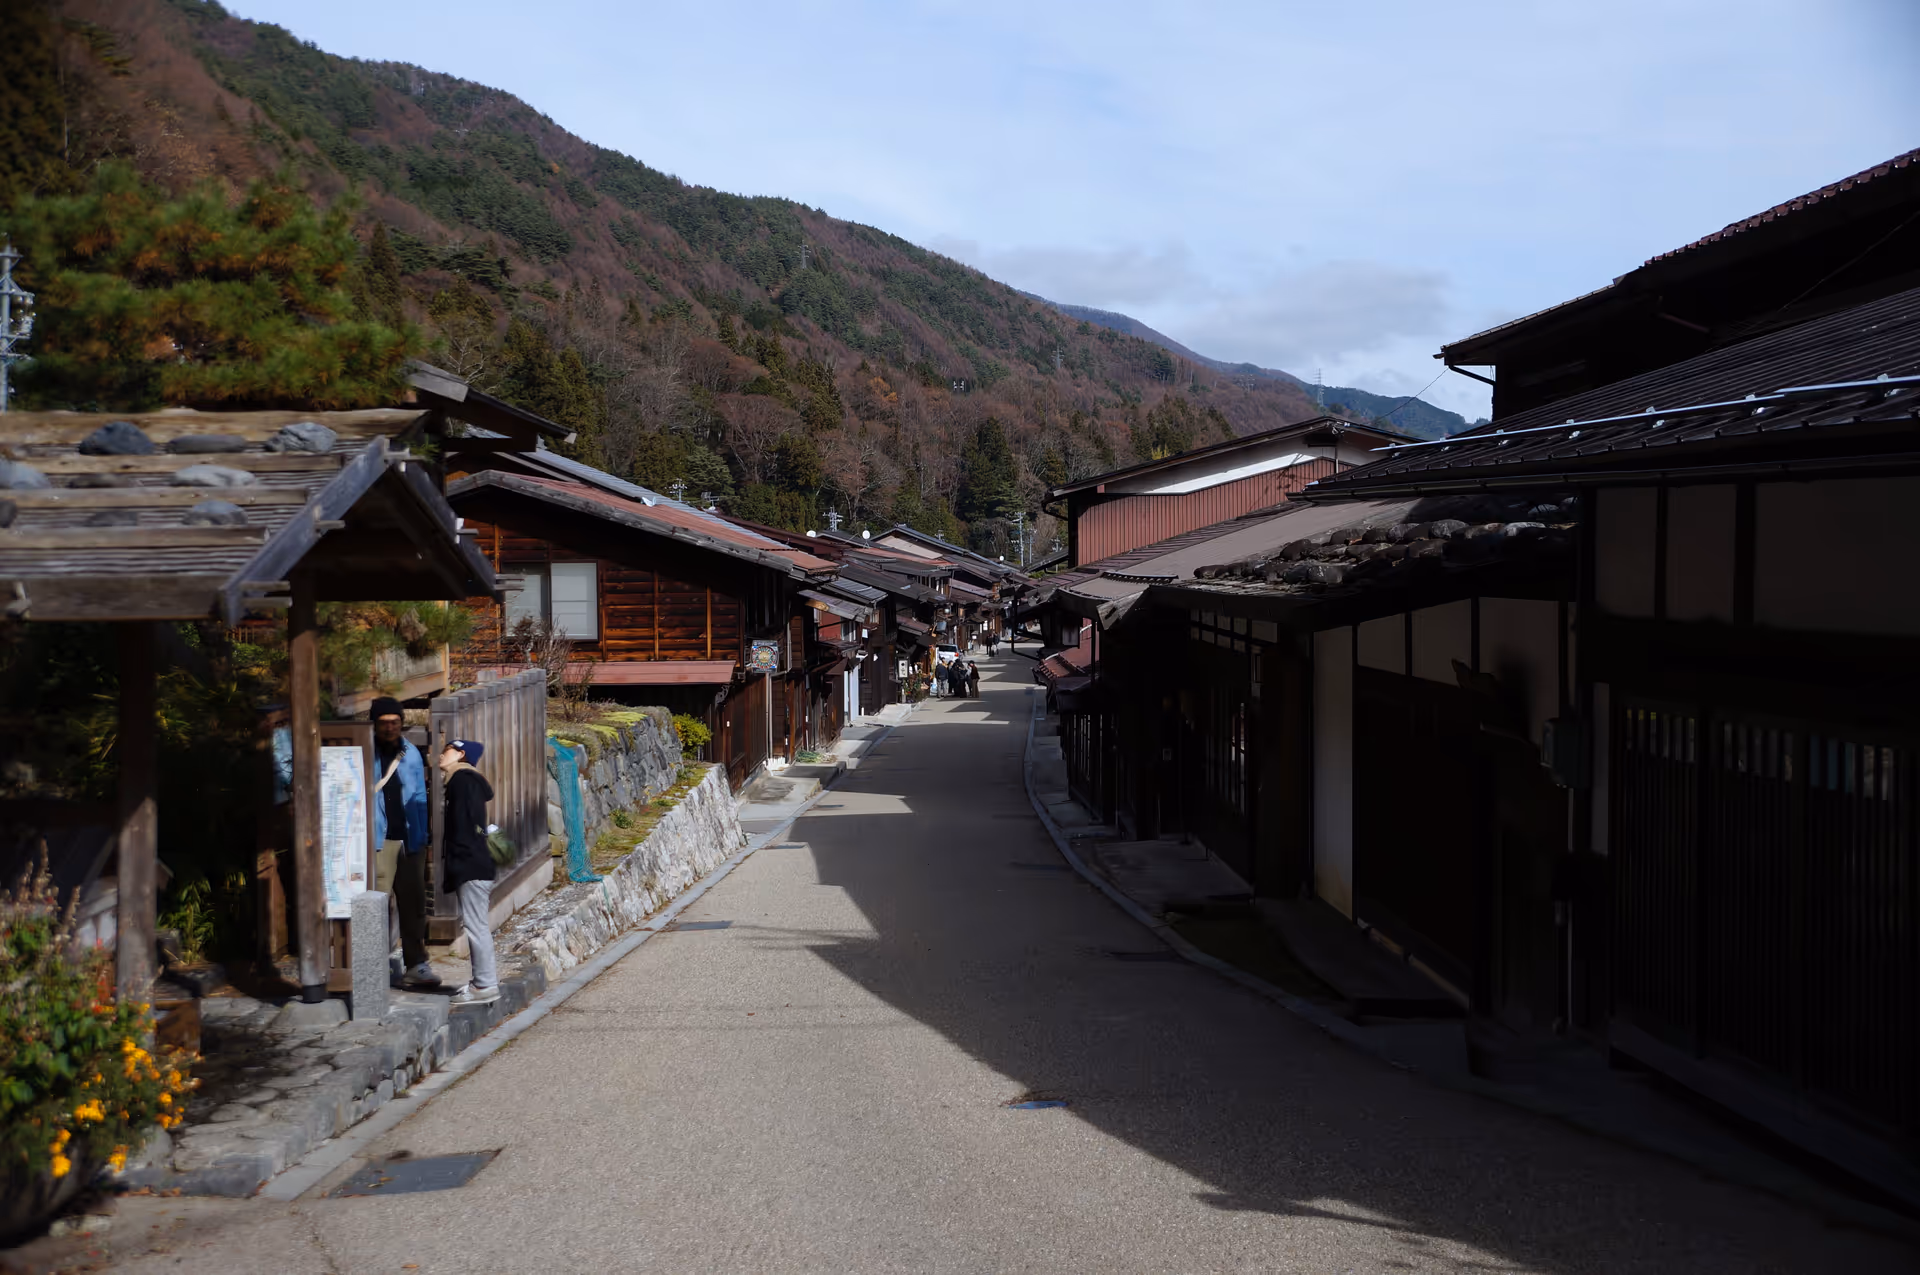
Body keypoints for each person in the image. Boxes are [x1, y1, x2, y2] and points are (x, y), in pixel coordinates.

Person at [369, 697, 437, 989]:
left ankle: (416, 964)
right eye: (383, 723)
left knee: (414, 905)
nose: (389, 728)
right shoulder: (364, 752)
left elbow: (420, 798)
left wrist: (423, 835)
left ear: (401, 723)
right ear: (374, 724)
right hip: (379, 839)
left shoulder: (410, 753)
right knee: (376, 904)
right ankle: (372, 965)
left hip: (411, 839)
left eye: (394, 722)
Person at [438, 738, 499, 1006]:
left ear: (461, 754)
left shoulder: (462, 780)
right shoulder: (464, 781)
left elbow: (464, 827)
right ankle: (482, 983)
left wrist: (459, 863)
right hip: (477, 863)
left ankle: (485, 985)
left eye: (446, 750)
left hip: (471, 863)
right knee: (477, 926)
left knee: (476, 927)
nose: (440, 755)